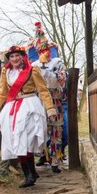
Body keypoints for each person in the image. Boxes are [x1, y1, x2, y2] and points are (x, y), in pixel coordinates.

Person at [0, 45, 57, 188]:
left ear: (22, 56)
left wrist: (50, 108)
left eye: (17, 55)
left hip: (30, 106)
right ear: (9, 59)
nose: (15, 58)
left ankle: (30, 174)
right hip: (12, 108)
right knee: (16, 139)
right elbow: (2, 93)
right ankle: (30, 173)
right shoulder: (5, 72)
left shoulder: (32, 70)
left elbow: (43, 90)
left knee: (27, 139)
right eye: (12, 56)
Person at [33, 39, 67, 173]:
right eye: (41, 50)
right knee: (41, 129)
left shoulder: (57, 62)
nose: (44, 52)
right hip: (40, 99)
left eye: (46, 49)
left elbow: (62, 78)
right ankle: (43, 155)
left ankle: (55, 160)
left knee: (56, 130)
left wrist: (50, 74)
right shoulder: (34, 65)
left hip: (55, 99)